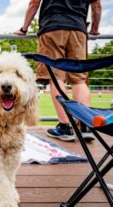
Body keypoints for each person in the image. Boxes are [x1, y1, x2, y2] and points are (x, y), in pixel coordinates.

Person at [15, 0, 102, 142]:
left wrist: (24, 28)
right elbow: (96, 5)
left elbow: (34, 3)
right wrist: (94, 29)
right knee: (79, 79)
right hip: (78, 28)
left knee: (55, 77)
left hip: (52, 26)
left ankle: (65, 127)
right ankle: (86, 127)